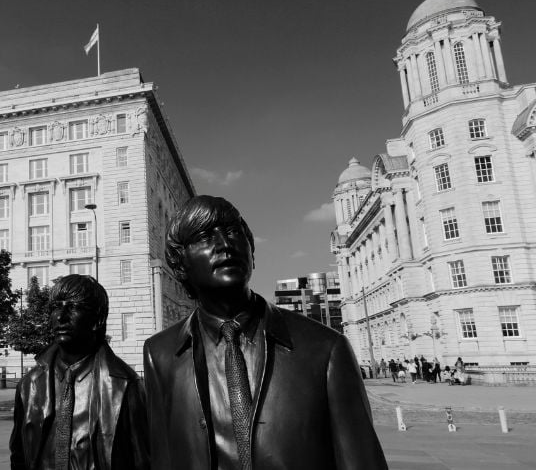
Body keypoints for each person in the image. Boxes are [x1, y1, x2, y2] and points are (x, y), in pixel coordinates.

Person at [143, 195, 386, 469]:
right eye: (204, 237)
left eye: (234, 232)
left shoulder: (325, 348)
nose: (225, 245)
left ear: (252, 252)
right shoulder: (159, 353)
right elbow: (164, 456)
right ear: (179, 264)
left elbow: (360, 460)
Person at [10, 275, 148, 470]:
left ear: (98, 319)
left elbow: (142, 460)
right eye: (56, 307)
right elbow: (19, 456)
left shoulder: (124, 386)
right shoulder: (29, 385)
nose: (61, 316)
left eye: (73, 307)